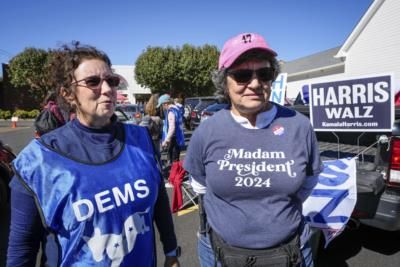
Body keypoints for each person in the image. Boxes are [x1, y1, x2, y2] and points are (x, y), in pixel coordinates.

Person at [7, 42, 180, 267]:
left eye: (112, 80)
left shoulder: (142, 139)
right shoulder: (37, 162)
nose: (107, 89)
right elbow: (22, 249)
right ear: (68, 94)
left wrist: (171, 250)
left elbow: (159, 203)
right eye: (93, 82)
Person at [183, 32, 323, 267]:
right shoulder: (207, 131)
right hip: (220, 254)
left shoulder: (299, 125)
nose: (256, 83)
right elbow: (201, 186)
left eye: (264, 74)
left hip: (291, 252)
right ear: (224, 82)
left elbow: (308, 182)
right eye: (242, 75)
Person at [157, 94, 185, 166]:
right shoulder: (177, 109)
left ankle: (175, 176)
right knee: (176, 160)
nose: (162, 107)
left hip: (174, 138)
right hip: (179, 137)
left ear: (166, 103)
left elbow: (172, 127)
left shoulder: (171, 112)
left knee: (174, 162)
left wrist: (166, 140)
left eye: (162, 105)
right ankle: (176, 175)